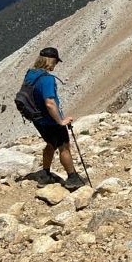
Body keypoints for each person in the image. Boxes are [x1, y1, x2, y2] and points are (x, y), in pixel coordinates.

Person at [23, 47, 85, 190]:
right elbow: (50, 103)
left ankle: (45, 174)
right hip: (51, 120)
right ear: (50, 61)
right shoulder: (47, 79)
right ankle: (72, 178)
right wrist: (60, 121)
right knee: (63, 147)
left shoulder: (30, 74)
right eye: (55, 62)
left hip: (38, 119)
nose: (55, 65)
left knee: (50, 143)